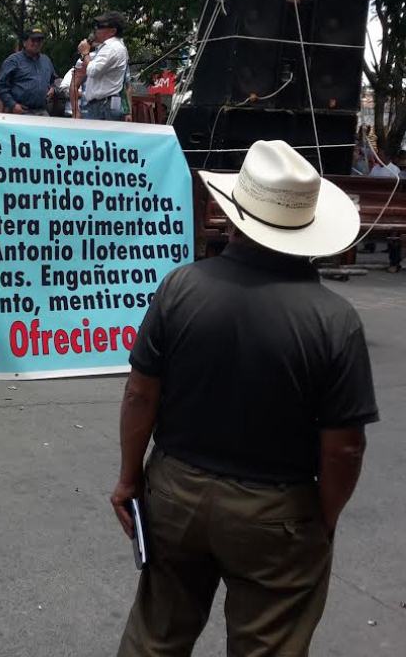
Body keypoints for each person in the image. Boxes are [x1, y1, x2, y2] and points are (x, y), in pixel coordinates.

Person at [112, 139, 378, 657]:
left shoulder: (179, 288)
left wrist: (129, 477)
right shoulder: (335, 321)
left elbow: (140, 395)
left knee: (156, 638)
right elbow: (344, 448)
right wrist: (322, 517)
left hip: (174, 493)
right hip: (277, 509)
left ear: (233, 214)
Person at [76, 12, 130, 121]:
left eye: (100, 27)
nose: (96, 30)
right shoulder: (111, 47)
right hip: (102, 104)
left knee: (100, 137)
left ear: (113, 31)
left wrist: (85, 53)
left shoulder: (112, 47)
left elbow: (92, 70)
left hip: (104, 106)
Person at [0, 29, 57, 116]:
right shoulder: (13, 61)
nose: (36, 43)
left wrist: (53, 88)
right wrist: (13, 105)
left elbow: (54, 80)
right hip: (21, 112)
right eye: (33, 40)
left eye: (39, 40)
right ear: (24, 42)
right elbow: (0, 87)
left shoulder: (46, 60)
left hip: (42, 111)